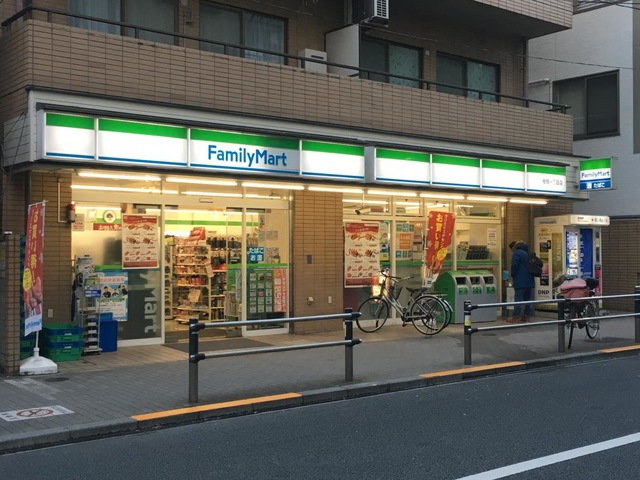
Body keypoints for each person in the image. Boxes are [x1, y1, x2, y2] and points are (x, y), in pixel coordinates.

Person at [508, 240, 534, 323]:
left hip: (520, 280)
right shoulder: (528, 253)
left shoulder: (517, 253)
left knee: (518, 298)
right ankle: (526, 316)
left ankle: (516, 316)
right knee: (528, 299)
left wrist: (512, 276)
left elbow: (514, 266)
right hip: (530, 280)